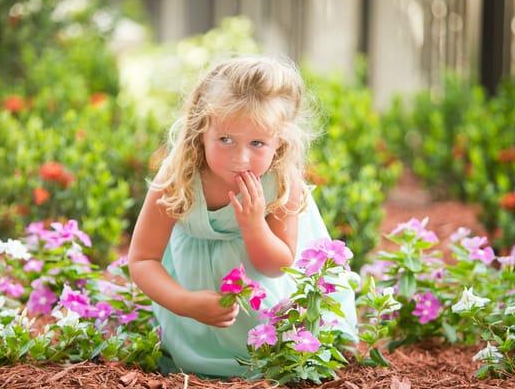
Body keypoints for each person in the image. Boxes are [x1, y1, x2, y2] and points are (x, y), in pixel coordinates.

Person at [128, 55, 357, 377]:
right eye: (225, 140)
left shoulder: (279, 181)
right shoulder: (179, 175)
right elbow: (142, 259)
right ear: (200, 130)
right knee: (191, 365)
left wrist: (253, 225)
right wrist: (185, 303)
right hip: (194, 308)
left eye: (257, 143)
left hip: (266, 310)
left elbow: (277, 266)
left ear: (279, 142)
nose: (240, 158)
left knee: (277, 362)